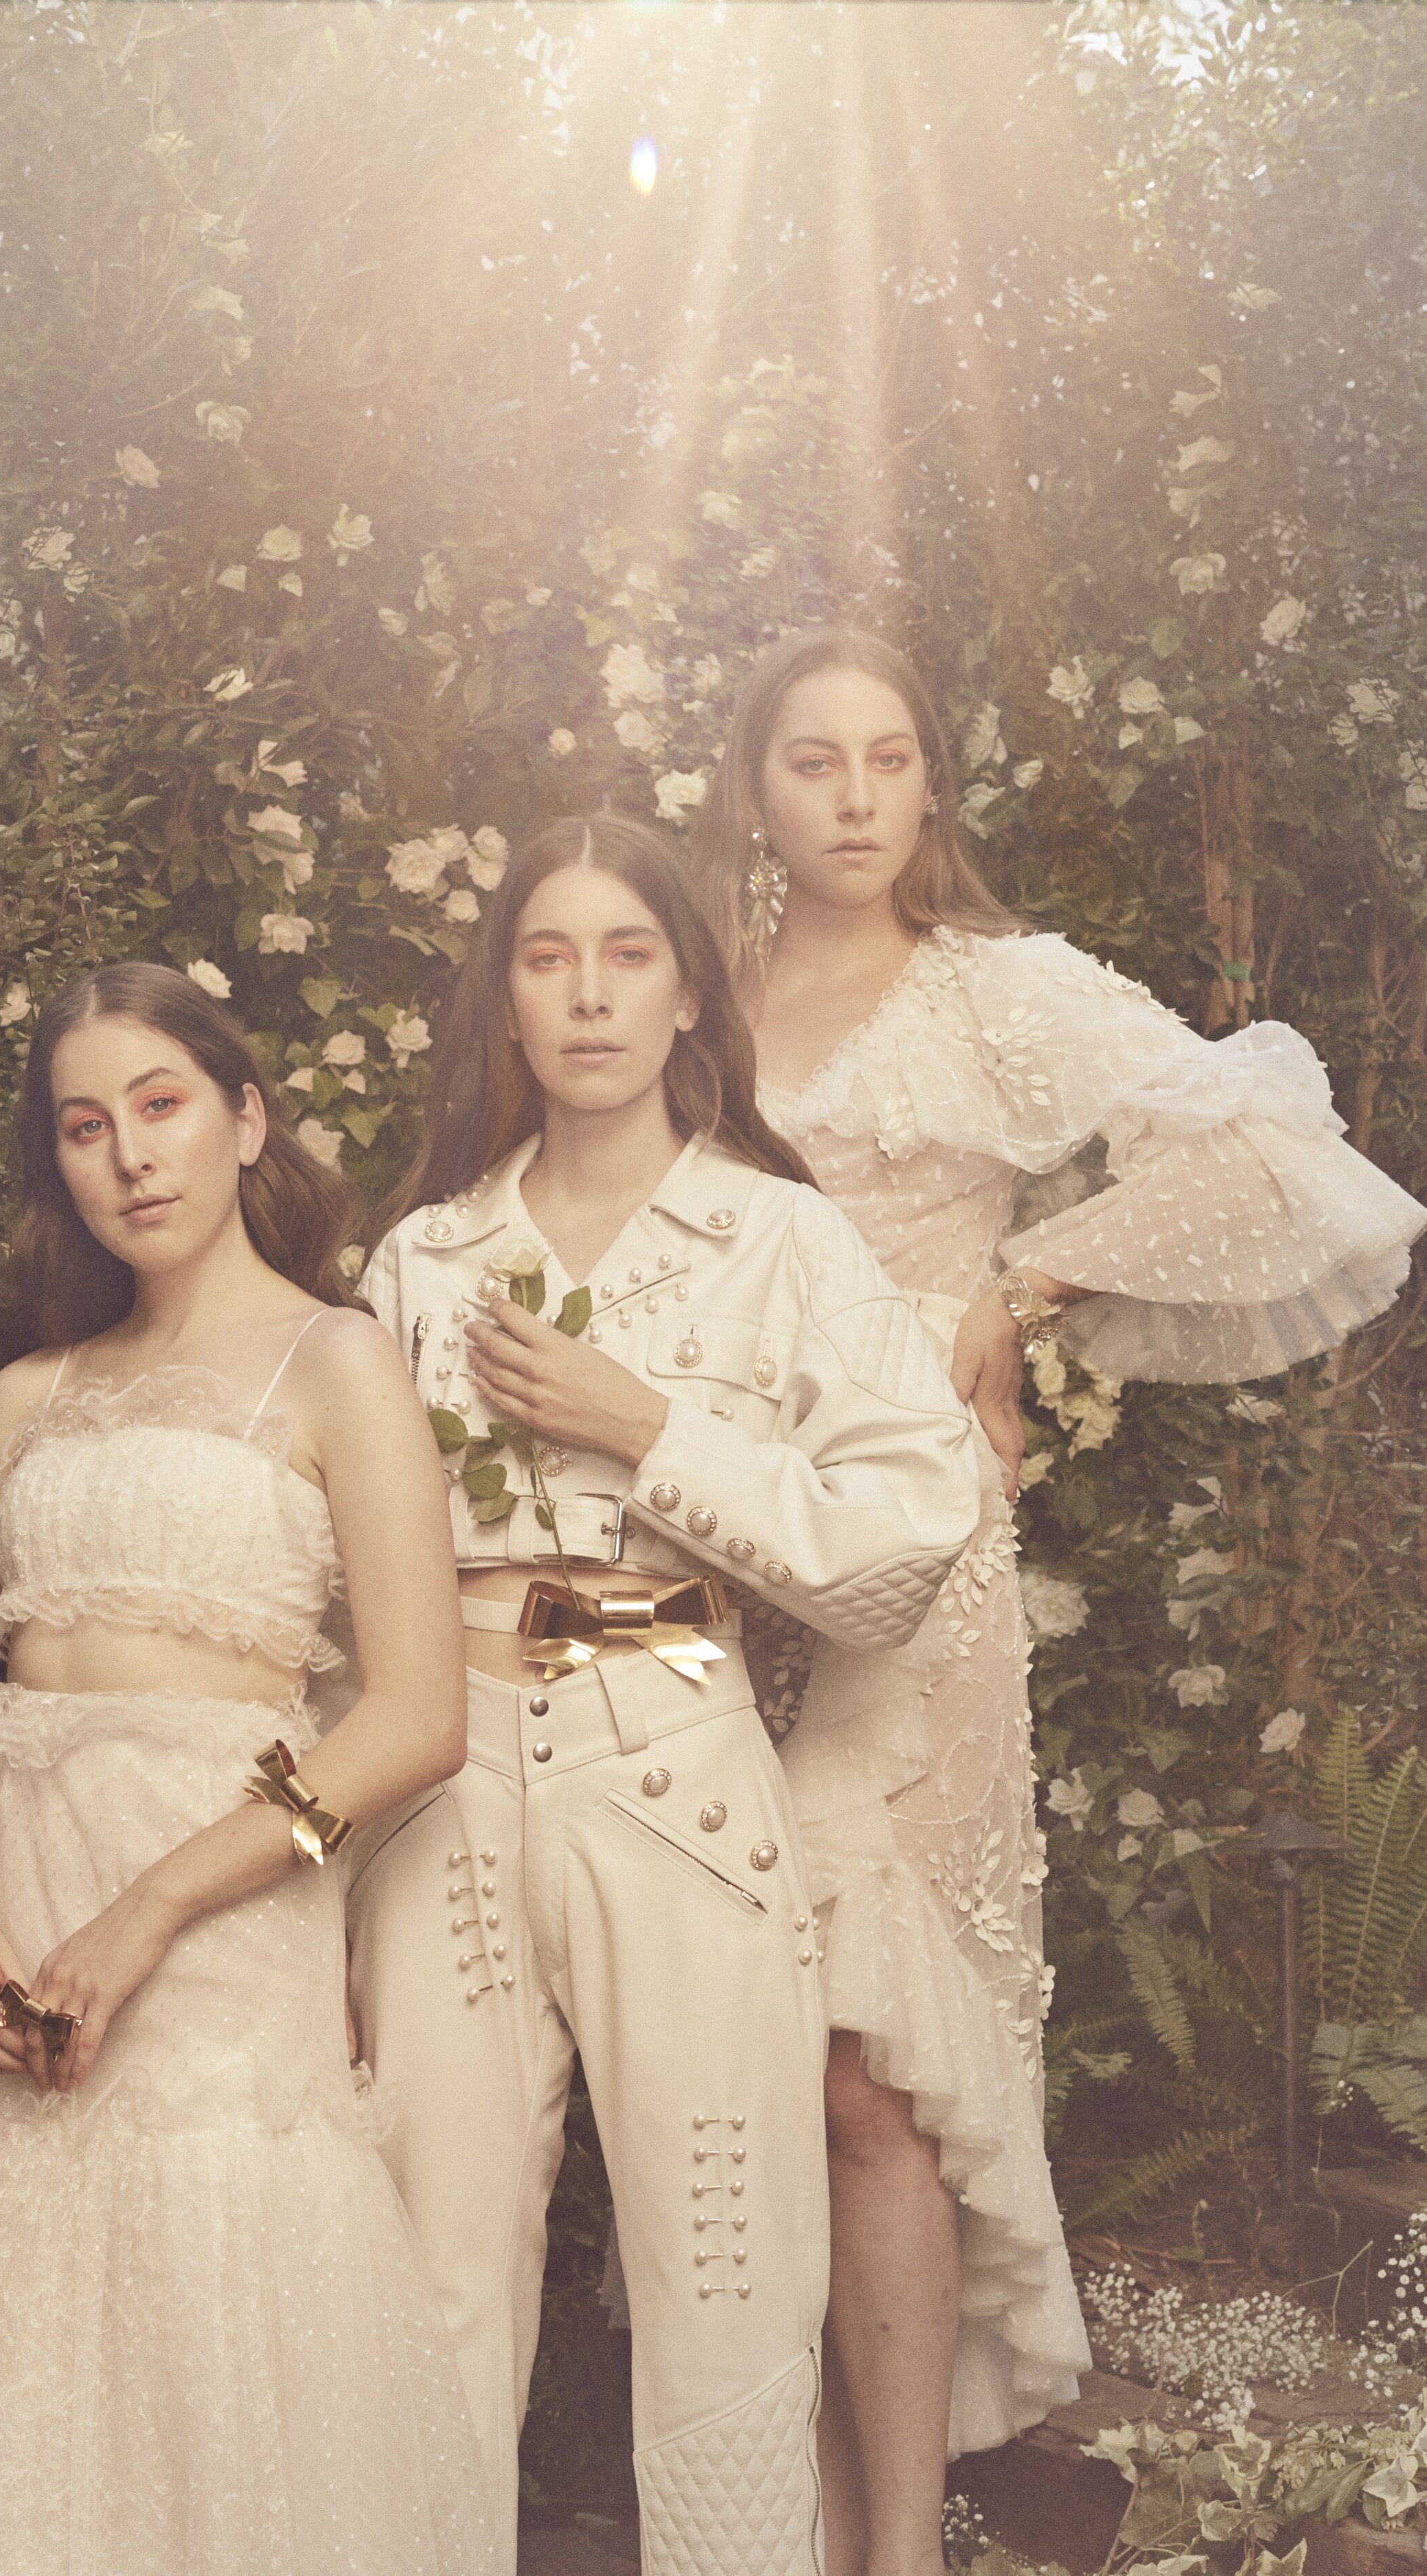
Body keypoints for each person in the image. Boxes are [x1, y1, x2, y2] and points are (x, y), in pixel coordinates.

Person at [689, 624, 1427, 2576]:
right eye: (811, 762)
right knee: (736, 2059)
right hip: (702, 1557)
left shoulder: (989, 989)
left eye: (887, 757)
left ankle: (899, 2545)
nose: (854, 796)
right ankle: (797, 2526)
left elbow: (1279, 1162)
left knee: (870, 2071)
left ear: (929, 782)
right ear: (750, 790)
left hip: (909, 1575)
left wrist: (1018, 1292)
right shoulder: (690, 996)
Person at [0, 962, 496, 2576]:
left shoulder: (339, 1363)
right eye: (86, 1127)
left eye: (162, 1106)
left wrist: (149, 1912)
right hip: (6, 1947)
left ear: (245, 1120)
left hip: (215, 1940)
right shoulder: (28, 1396)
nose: (132, 1154)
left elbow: (416, 1717)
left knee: (207, 2359)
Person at [349, 813, 982, 2576]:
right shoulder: (423, 1261)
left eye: (626, 954)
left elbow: (908, 1534)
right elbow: (344, 1592)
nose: (587, 994)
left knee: (725, 2274)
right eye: (547, 956)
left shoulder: (780, 1241)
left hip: (673, 1759)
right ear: (504, 1000)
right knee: (430, 2268)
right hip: (443, 1785)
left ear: (687, 993)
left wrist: (648, 1430)